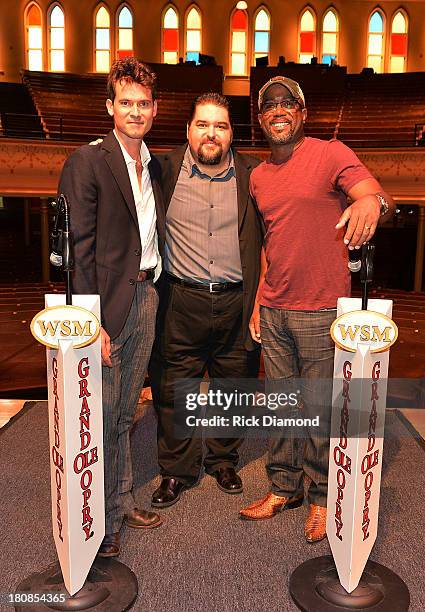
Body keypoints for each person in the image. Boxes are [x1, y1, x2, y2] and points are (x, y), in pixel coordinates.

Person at [239, 76, 394, 543]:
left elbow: (375, 197)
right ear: (261, 118)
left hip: (323, 309)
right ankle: (283, 486)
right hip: (275, 308)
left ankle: (324, 498)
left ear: (303, 113)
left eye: (288, 103)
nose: (278, 111)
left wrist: (370, 201)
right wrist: (259, 302)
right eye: (269, 106)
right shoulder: (258, 176)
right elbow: (270, 242)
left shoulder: (331, 153)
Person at [58, 57, 165, 557]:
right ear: (110, 107)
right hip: (106, 308)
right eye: (127, 103)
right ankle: (97, 522)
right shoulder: (88, 160)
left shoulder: (154, 164)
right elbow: (77, 249)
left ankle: (118, 505)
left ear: (154, 108)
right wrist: (90, 323)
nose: (136, 111)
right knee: (98, 419)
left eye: (143, 103)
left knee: (125, 414)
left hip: (146, 295)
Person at [150, 93, 263, 508]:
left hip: (237, 300)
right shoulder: (160, 170)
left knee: (234, 385)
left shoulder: (254, 174)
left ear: (232, 133)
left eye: (220, 125)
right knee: (173, 389)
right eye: (203, 124)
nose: (210, 133)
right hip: (181, 299)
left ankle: (221, 460)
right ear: (188, 130)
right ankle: (177, 472)